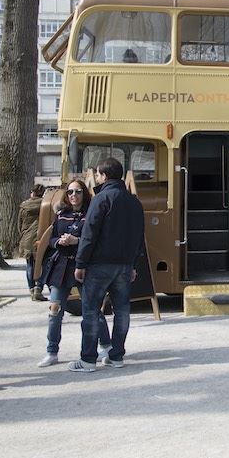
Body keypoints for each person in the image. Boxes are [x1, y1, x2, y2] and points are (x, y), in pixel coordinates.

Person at [68, 157, 145, 372]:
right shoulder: (134, 201)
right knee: (122, 311)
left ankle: (88, 360)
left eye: (99, 174)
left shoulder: (101, 199)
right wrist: (133, 264)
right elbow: (140, 236)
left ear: (103, 175)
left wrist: (81, 263)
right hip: (124, 266)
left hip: (99, 264)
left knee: (91, 311)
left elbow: (89, 234)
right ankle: (117, 355)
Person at [36, 180, 111, 368]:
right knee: (55, 310)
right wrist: (58, 242)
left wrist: (76, 241)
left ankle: (106, 345)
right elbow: (50, 239)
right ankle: (51, 351)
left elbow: (96, 240)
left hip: (83, 266)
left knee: (92, 309)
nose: (73, 195)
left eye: (77, 191)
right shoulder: (61, 214)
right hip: (61, 268)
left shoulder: (91, 214)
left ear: (84, 193)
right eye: (70, 192)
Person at [19, 184, 47, 301]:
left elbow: (19, 225)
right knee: (43, 264)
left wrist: (23, 235)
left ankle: (31, 289)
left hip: (27, 239)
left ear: (32, 193)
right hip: (41, 238)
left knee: (30, 265)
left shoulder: (24, 206)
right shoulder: (45, 205)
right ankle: (38, 289)